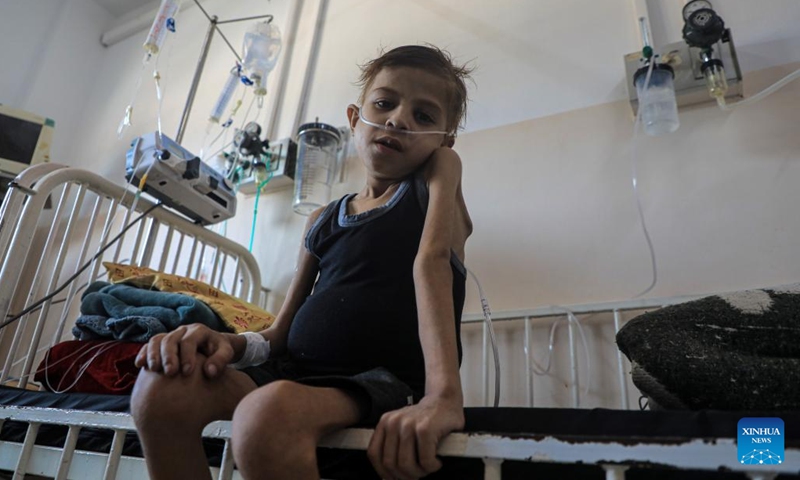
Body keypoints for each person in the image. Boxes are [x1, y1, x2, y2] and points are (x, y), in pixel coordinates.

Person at [131, 44, 474, 480]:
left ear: (443, 140)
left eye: (424, 116)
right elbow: (278, 333)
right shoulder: (322, 220)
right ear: (355, 119)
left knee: (264, 415)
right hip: (292, 373)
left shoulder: (434, 178)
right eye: (385, 103)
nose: (398, 120)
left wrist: (444, 397)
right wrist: (230, 344)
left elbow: (432, 261)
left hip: (378, 381)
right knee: (159, 390)